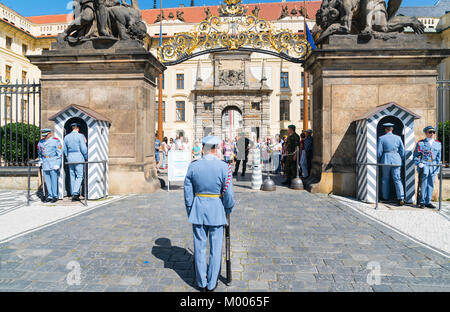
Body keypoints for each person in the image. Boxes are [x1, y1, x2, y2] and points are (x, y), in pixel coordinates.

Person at [184, 136, 235, 292]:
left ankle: (201, 282)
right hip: (216, 210)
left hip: (198, 208)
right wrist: (228, 208)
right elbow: (228, 195)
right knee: (215, 249)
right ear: (216, 148)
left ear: (204, 148)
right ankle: (212, 283)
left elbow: (188, 192)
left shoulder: (193, 166)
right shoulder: (224, 167)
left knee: (199, 248)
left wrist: (190, 209)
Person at [377, 123, 405, 206]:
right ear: (392, 129)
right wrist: (400, 158)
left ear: (385, 129)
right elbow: (402, 151)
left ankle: (385, 197)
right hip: (397, 160)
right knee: (398, 179)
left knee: (385, 179)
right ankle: (401, 197)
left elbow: (379, 152)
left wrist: (379, 160)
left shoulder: (381, 138)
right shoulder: (398, 138)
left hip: (386, 159)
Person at [414, 126, 442, 209]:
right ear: (426, 133)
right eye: (430, 132)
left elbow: (438, 157)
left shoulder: (438, 144)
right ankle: (422, 201)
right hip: (424, 165)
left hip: (433, 166)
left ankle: (428, 201)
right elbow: (415, 156)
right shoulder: (421, 143)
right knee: (423, 184)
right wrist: (419, 163)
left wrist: (437, 168)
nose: (432, 134)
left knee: (430, 184)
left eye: (433, 132)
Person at [64, 123, 88, 201]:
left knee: (72, 175)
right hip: (79, 156)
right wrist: (86, 157)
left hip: (70, 157)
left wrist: (67, 157)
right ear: (78, 128)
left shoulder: (66, 137)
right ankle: (75, 193)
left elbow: (65, 149)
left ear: (72, 128)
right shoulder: (80, 136)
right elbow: (83, 149)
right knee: (80, 175)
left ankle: (73, 193)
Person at [37, 128, 63, 203]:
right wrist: (40, 160)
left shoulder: (55, 141)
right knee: (47, 180)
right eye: (43, 134)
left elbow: (59, 154)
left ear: (49, 134)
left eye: (46, 134)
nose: (44, 136)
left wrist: (58, 163)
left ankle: (55, 195)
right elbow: (40, 152)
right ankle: (50, 195)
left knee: (54, 180)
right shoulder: (41, 142)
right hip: (45, 162)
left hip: (53, 162)